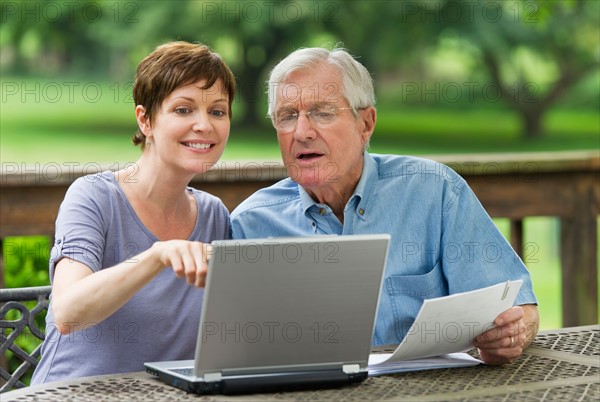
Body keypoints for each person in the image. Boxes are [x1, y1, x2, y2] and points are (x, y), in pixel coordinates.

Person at [230, 47, 539, 365]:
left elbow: (520, 308)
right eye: (287, 116)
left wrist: (510, 334)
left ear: (365, 123)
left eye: (322, 113)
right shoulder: (250, 225)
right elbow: (232, 352)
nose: (302, 132)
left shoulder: (434, 191)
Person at [31, 41, 235, 384]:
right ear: (145, 120)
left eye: (217, 111)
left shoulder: (215, 215)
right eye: (183, 110)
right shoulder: (94, 197)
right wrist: (157, 256)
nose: (204, 125)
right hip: (72, 393)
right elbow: (68, 314)